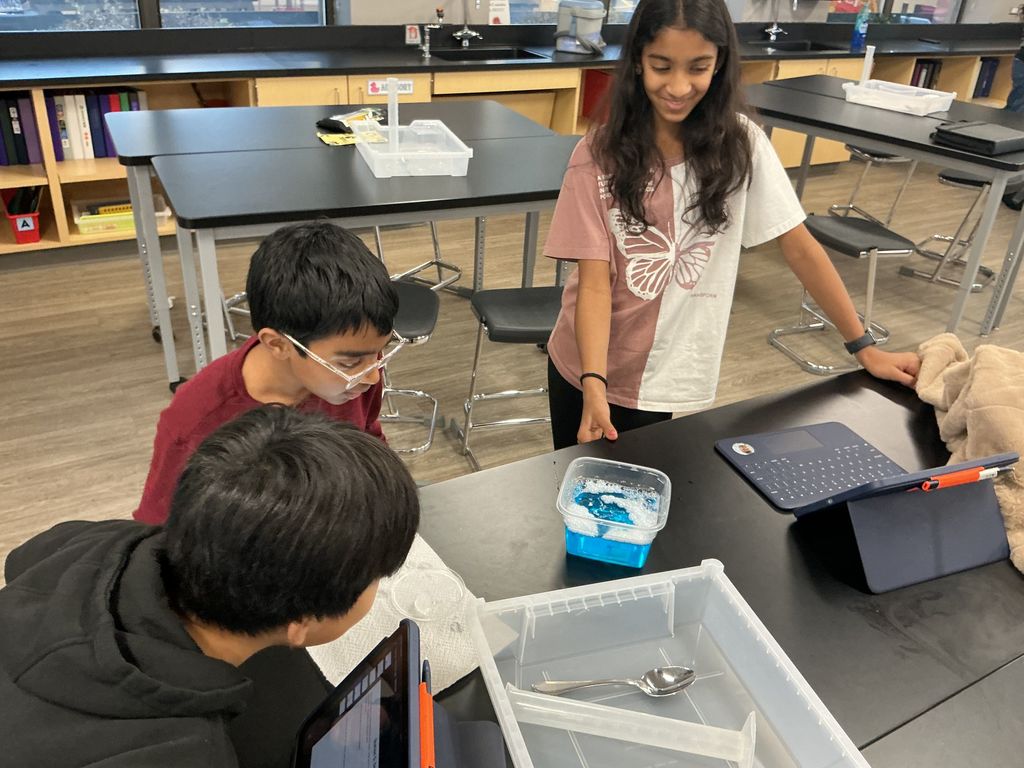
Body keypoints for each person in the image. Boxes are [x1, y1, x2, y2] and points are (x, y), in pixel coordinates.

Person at [544, 0, 921, 450]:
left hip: (665, 369)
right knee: (581, 481)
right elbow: (593, 283)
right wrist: (594, 384)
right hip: (587, 368)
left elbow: (800, 247)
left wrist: (864, 346)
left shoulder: (742, 145)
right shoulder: (597, 154)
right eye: (661, 66)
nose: (678, 86)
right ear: (638, 61)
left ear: (719, 63)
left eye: (698, 68)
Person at [0, 406, 420, 768]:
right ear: (301, 623)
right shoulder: (185, 753)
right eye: (375, 578)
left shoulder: (94, 541)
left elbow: (19, 559)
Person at [134, 221, 400, 525]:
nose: (373, 377)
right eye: (351, 363)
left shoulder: (357, 369)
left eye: (377, 354)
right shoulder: (196, 423)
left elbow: (369, 442)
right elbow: (159, 530)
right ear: (277, 344)